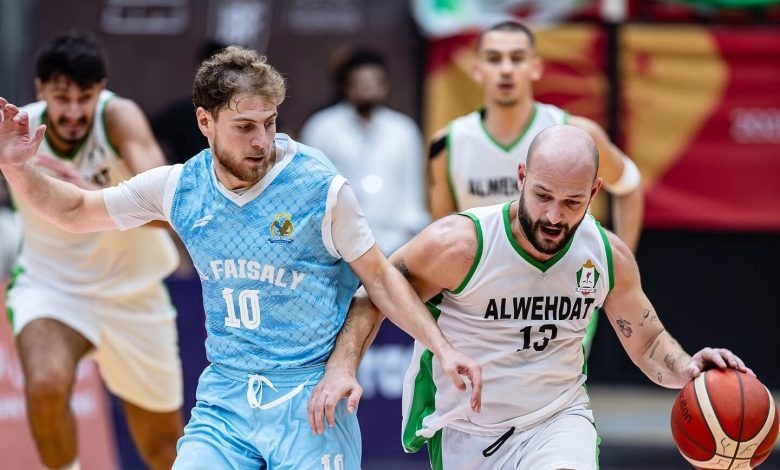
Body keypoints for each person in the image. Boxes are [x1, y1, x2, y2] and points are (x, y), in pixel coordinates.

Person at [0, 45, 482, 469]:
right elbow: (75, 210)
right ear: (204, 122)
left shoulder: (320, 187)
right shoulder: (180, 187)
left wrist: (442, 347)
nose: (261, 141)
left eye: (269, 123)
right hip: (226, 398)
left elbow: (378, 279)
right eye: (245, 127)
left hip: (309, 395)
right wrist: (14, 166)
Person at [348, 125, 750, 469]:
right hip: (467, 432)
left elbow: (648, 342)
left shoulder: (606, 256)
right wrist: (342, 369)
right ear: (521, 177)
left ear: (594, 191)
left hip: (558, 421)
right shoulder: (461, 245)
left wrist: (686, 367)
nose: (554, 217)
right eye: (543, 196)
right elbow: (375, 290)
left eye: (572, 202)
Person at [1, 32, 184, 470]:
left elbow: (168, 208)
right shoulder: (16, 131)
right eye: (61, 97)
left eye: (85, 97)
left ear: (100, 90)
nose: (73, 112)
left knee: (163, 447)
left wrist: (89, 197)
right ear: (41, 89)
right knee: (45, 384)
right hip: (51, 287)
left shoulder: (119, 117)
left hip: (133, 293)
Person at [428, 20, 644, 355]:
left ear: (536, 67)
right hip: (483, 297)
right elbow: (442, 234)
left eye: (517, 58)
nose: (506, 69)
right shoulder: (449, 144)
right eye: (494, 59)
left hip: (560, 294)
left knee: (553, 386)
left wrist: (615, 269)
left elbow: (629, 185)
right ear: (476, 69)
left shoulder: (576, 133)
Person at [301, 48, 429, 254]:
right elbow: (312, 188)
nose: (368, 87)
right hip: (337, 242)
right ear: (346, 84)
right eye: (360, 81)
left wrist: (409, 232)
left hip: (396, 241)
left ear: (386, 85)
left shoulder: (404, 130)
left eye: (374, 81)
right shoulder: (322, 127)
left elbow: (412, 191)